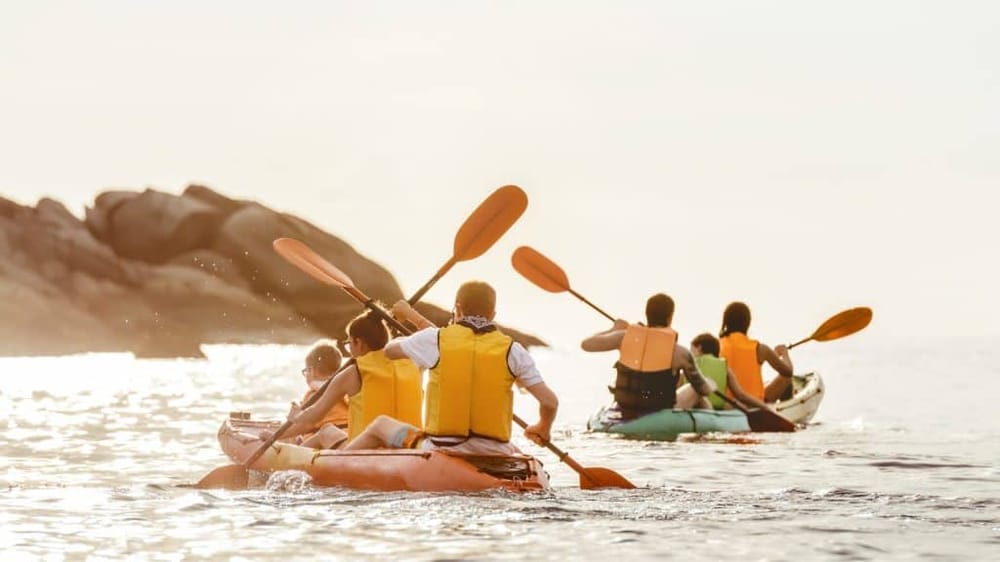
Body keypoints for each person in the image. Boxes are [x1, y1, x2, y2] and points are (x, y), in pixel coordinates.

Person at [342, 280, 559, 455]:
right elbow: (549, 402)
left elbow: (389, 351)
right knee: (517, 452)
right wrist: (542, 427)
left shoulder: (436, 339)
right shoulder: (514, 350)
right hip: (494, 450)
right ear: (493, 314)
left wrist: (413, 323)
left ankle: (338, 463)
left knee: (380, 424)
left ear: (457, 308)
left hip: (440, 449)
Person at [276, 309, 424, 449]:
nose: (350, 350)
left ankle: (285, 466)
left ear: (358, 343)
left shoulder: (354, 372)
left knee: (327, 431)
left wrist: (296, 416)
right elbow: (432, 338)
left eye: (349, 344)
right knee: (329, 430)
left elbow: (315, 415)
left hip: (364, 452)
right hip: (410, 448)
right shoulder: (414, 364)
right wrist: (411, 315)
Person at [580, 293, 715, 416]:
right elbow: (702, 389)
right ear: (670, 318)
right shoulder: (680, 352)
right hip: (658, 411)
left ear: (647, 315)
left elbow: (586, 344)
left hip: (626, 408)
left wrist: (613, 329)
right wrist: (711, 385)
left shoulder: (623, 338)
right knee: (698, 389)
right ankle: (712, 422)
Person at [718, 301, 794, 403]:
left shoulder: (717, 345)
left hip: (726, 404)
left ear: (726, 322)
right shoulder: (760, 348)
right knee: (787, 379)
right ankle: (785, 412)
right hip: (754, 404)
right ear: (748, 323)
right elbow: (788, 372)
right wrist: (784, 353)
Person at [686, 332, 773, 412]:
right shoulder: (724, 367)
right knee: (732, 405)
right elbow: (741, 395)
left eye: (692, 349)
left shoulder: (688, 365)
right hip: (717, 411)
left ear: (699, 348)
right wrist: (764, 407)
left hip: (692, 409)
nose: (690, 353)